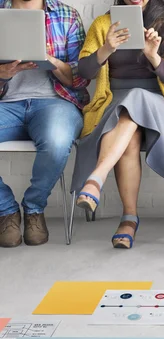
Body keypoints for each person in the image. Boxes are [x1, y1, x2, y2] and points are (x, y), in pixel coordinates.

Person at [72, 0, 164, 249]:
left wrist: (153, 56)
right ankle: (129, 218)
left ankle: (96, 178)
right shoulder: (104, 23)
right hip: (114, 102)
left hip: (159, 103)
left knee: (135, 99)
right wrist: (106, 48)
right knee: (128, 135)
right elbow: (84, 72)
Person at [0, 0, 88, 248]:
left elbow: (81, 77)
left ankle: (34, 209)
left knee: (57, 141)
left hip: (55, 102)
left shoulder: (66, 15)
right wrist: (2, 73)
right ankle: (6, 211)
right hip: (6, 103)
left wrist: (52, 61)